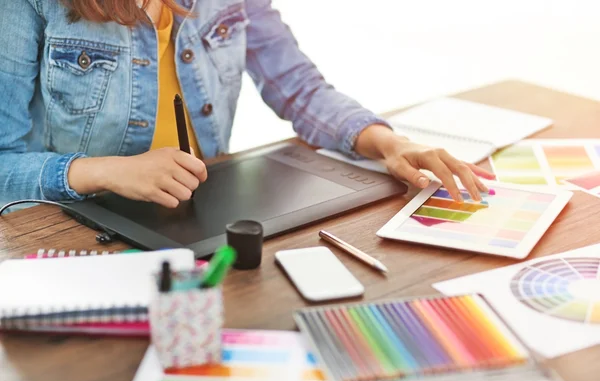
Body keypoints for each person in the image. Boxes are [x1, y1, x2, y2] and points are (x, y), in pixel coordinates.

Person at [0, 0, 494, 210]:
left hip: (199, 218)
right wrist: (106, 171)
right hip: (77, 229)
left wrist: (387, 143)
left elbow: (298, 87)